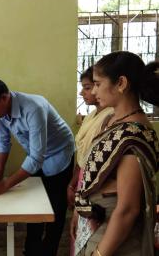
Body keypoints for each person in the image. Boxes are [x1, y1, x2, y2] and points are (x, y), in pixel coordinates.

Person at [0, 77, 75, 256]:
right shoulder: (0, 112)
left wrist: (5, 184)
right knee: (35, 205)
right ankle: (31, 250)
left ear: (4, 98)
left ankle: (49, 251)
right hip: (37, 155)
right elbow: (4, 141)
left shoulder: (33, 108)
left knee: (54, 208)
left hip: (59, 153)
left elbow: (36, 158)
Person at [72, 51, 159, 256]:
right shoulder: (109, 120)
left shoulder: (134, 135)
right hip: (96, 221)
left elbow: (128, 209)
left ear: (120, 83)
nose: (94, 91)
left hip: (115, 234)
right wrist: (79, 211)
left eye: (98, 84)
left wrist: (100, 253)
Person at [68, 66, 113, 255]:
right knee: (77, 233)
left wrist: (82, 192)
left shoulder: (110, 117)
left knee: (90, 237)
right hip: (82, 181)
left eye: (89, 87)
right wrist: (72, 185)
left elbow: (96, 162)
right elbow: (81, 156)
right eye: (86, 87)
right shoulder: (92, 115)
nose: (84, 92)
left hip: (95, 183)